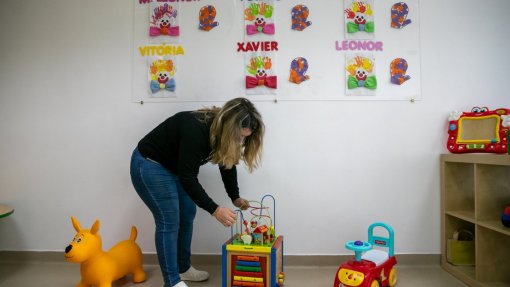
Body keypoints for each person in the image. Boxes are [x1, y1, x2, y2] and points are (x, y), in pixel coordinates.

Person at [130, 97, 264, 287]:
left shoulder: (222, 133)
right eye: (240, 137)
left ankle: (183, 269)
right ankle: (172, 281)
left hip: (175, 167)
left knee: (187, 212)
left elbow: (227, 163)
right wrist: (215, 210)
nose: (242, 142)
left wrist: (234, 197)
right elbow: (188, 178)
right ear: (229, 129)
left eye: (246, 138)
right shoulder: (197, 130)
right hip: (150, 164)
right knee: (170, 220)